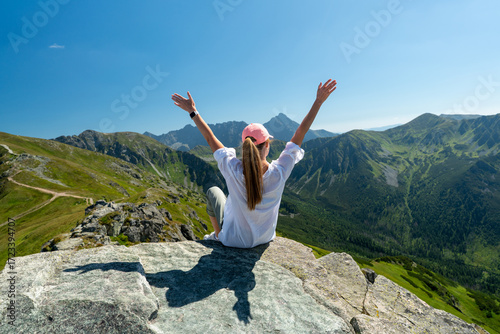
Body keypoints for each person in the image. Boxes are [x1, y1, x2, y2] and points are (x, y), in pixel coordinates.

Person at [172, 79, 337, 248]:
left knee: (214, 191)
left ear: (244, 147)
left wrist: (193, 111)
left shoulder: (231, 168)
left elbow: (210, 138)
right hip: (264, 239)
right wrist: (318, 102)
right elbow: (300, 132)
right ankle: (221, 234)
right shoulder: (280, 172)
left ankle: (218, 235)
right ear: (267, 145)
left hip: (232, 241)